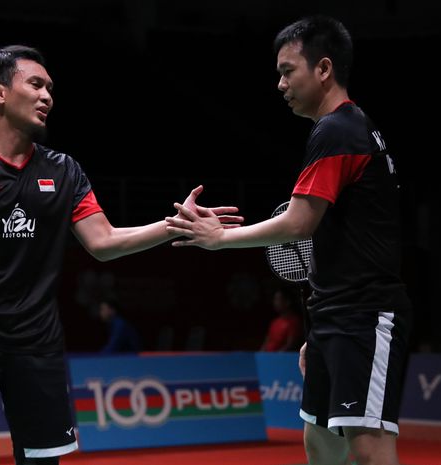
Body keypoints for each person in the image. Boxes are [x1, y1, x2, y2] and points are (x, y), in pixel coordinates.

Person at [0, 45, 243, 465]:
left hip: (36, 343)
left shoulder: (64, 171)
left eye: (50, 87)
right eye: (35, 84)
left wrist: (175, 224)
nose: (47, 96)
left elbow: (102, 242)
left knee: (44, 460)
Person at [165, 16, 411, 465]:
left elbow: (299, 223)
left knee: (368, 445)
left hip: (364, 313)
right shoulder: (340, 129)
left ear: (323, 68)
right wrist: (317, 333)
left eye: (287, 70)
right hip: (334, 314)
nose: (279, 83)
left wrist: (221, 237)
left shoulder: (341, 130)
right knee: (319, 439)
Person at [261, 286, 303, 352]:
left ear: (287, 302)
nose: (275, 302)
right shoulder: (274, 322)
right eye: (275, 299)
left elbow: (290, 345)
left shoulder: (294, 322)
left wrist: (276, 357)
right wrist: (261, 355)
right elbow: (266, 342)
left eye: (278, 299)